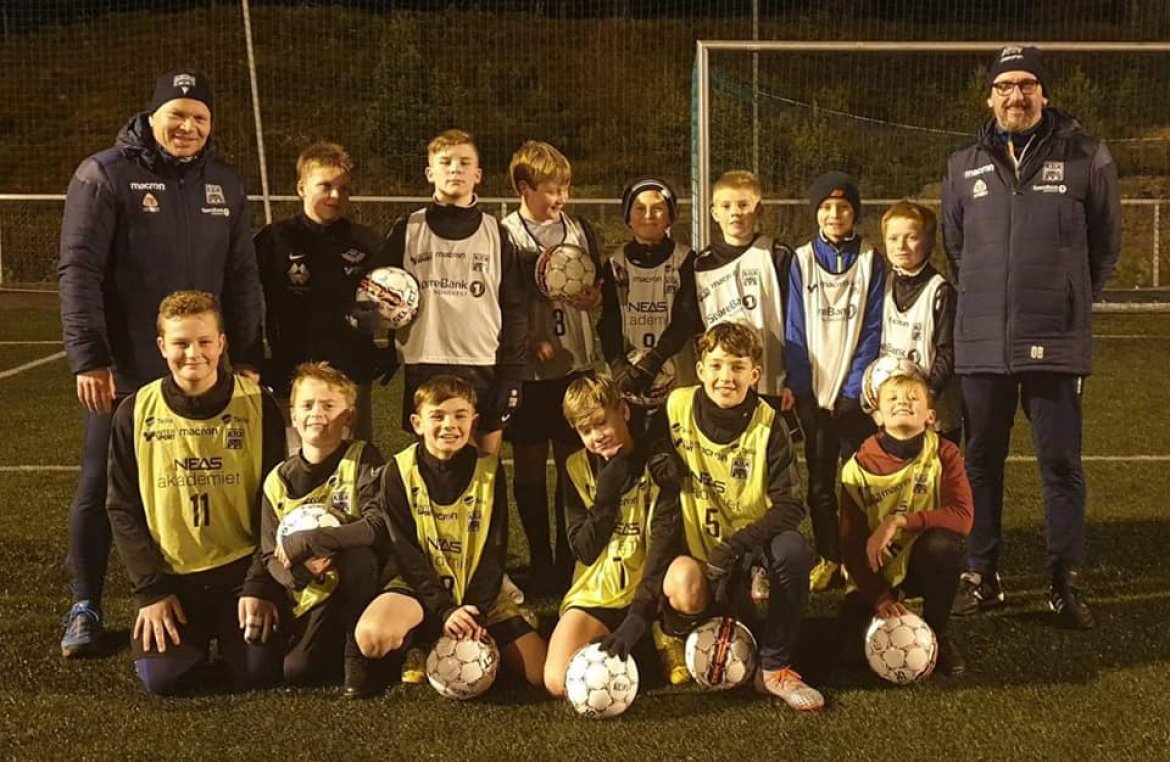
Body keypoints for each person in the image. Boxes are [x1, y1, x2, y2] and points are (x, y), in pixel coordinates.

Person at [57, 70, 263, 657]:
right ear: (152, 117)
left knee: (215, 480)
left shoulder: (225, 184)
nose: (188, 127)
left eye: (200, 117)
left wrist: (248, 355)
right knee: (102, 484)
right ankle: (85, 604)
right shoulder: (104, 175)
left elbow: (241, 276)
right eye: (177, 114)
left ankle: (220, 595)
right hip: (130, 368)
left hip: (205, 368)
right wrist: (90, 356)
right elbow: (79, 270)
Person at [941, 45, 1120, 629]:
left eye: (1026, 84)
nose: (1015, 95)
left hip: (1056, 341)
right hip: (981, 343)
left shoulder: (1087, 156)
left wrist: (1068, 298)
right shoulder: (962, 165)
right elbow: (957, 248)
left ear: (1044, 93)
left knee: (1060, 464)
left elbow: (1105, 246)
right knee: (980, 463)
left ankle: (1063, 580)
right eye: (1005, 86)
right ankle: (981, 573)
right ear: (989, 97)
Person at [105, 291, 284, 695]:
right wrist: (150, 590)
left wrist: (261, 584)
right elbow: (122, 507)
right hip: (173, 577)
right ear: (161, 346)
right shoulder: (135, 410)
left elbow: (275, 502)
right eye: (181, 343)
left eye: (204, 342)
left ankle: (229, 637)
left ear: (222, 343)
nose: (193, 354)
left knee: (259, 671)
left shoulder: (258, 404)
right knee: (163, 680)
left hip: (240, 571)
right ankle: (198, 640)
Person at [650, 322, 823, 712]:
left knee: (793, 550)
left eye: (737, 367)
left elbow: (791, 506)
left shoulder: (770, 424)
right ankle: (671, 633)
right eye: (716, 365)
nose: (725, 377)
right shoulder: (676, 406)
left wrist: (734, 547)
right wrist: (660, 456)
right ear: (700, 370)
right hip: (696, 549)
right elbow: (652, 441)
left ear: (755, 374)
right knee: (683, 583)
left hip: (745, 550)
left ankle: (773, 668)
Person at [345, 375, 547, 698]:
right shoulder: (398, 471)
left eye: (459, 416)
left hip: (478, 591)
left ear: (473, 422)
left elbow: (495, 550)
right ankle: (420, 640)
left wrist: (475, 610)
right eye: (437, 416)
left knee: (541, 674)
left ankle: (469, 637)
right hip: (419, 589)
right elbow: (405, 551)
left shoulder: (489, 469)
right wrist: (444, 610)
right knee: (372, 637)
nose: (449, 425)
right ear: (417, 423)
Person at [378, 129, 527, 458]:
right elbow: (378, 290)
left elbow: (514, 308)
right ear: (430, 173)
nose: (455, 169)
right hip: (424, 361)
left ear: (478, 175)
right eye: (445, 162)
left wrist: (512, 373)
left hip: (484, 363)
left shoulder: (497, 233)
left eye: (464, 162)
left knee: (484, 468)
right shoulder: (407, 229)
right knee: (434, 468)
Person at [500, 140, 604, 596]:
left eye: (565, 188)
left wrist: (594, 297)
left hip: (574, 367)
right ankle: (539, 558)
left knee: (573, 464)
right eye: (551, 189)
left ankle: (568, 557)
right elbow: (498, 301)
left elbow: (598, 286)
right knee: (527, 465)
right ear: (524, 188)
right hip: (528, 372)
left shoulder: (579, 229)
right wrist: (528, 340)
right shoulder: (505, 234)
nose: (561, 197)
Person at [544, 375, 683, 696]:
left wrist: (640, 612)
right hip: (598, 591)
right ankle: (638, 646)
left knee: (686, 579)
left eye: (601, 423)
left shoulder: (657, 463)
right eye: (585, 430)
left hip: (652, 587)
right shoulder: (575, 467)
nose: (597, 436)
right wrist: (605, 498)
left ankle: (665, 630)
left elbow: (665, 542)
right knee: (556, 682)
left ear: (624, 411)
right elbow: (584, 549)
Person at [258, 362, 388, 691]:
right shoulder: (277, 480)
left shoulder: (363, 458)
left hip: (361, 585)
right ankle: (342, 643)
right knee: (297, 671)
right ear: (293, 415)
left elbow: (376, 526)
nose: (317, 413)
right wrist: (299, 575)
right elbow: (269, 555)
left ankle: (355, 651)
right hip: (312, 592)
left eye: (328, 406)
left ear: (349, 416)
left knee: (359, 555)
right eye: (307, 405)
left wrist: (312, 540)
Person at [837, 360, 972, 676]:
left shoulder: (944, 453)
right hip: (874, 570)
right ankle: (876, 606)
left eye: (913, 398)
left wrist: (898, 522)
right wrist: (880, 597)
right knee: (849, 655)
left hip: (920, 564)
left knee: (945, 546)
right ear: (877, 417)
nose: (903, 403)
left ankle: (938, 632)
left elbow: (962, 517)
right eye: (893, 398)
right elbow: (851, 546)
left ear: (930, 416)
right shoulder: (857, 468)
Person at [255, 142, 394, 446]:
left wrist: (387, 348)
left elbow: (391, 302)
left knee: (353, 459)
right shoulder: (274, 240)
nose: (336, 196)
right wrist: (254, 358)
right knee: (297, 459)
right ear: (301, 187)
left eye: (344, 189)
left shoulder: (366, 242)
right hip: (292, 376)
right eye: (326, 186)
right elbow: (247, 302)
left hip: (352, 374)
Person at [786, 171, 884, 592]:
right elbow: (793, 326)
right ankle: (828, 555)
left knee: (856, 481)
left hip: (852, 396)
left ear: (854, 213)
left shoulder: (871, 259)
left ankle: (855, 557)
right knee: (819, 481)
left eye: (843, 207)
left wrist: (854, 387)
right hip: (814, 392)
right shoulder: (801, 259)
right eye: (825, 207)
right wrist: (802, 386)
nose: (834, 214)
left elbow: (874, 327)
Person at [598, 177, 697, 430]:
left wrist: (653, 362)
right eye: (639, 208)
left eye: (658, 208)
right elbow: (608, 321)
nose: (648, 215)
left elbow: (686, 319)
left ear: (670, 216)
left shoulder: (686, 260)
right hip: (628, 378)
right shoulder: (615, 263)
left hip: (675, 377)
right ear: (628, 217)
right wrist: (618, 367)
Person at [875, 200, 961, 443]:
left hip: (934, 412)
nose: (901, 246)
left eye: (911, 237)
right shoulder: (884, 285)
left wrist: (927, 393)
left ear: (929, 241)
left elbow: (948, 352)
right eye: (893, 238)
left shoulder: (941, 291)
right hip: (895, 409)